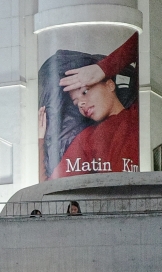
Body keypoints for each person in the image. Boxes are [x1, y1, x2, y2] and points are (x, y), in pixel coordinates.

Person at [49, 33, 138, 178]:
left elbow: (143, 40)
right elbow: (52, 185)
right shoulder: (86, 138)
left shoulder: (137, 114)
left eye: (85, 92)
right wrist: (40, 142)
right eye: (76, 102)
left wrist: (102, 69)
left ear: (110, 84)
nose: (81, 103)